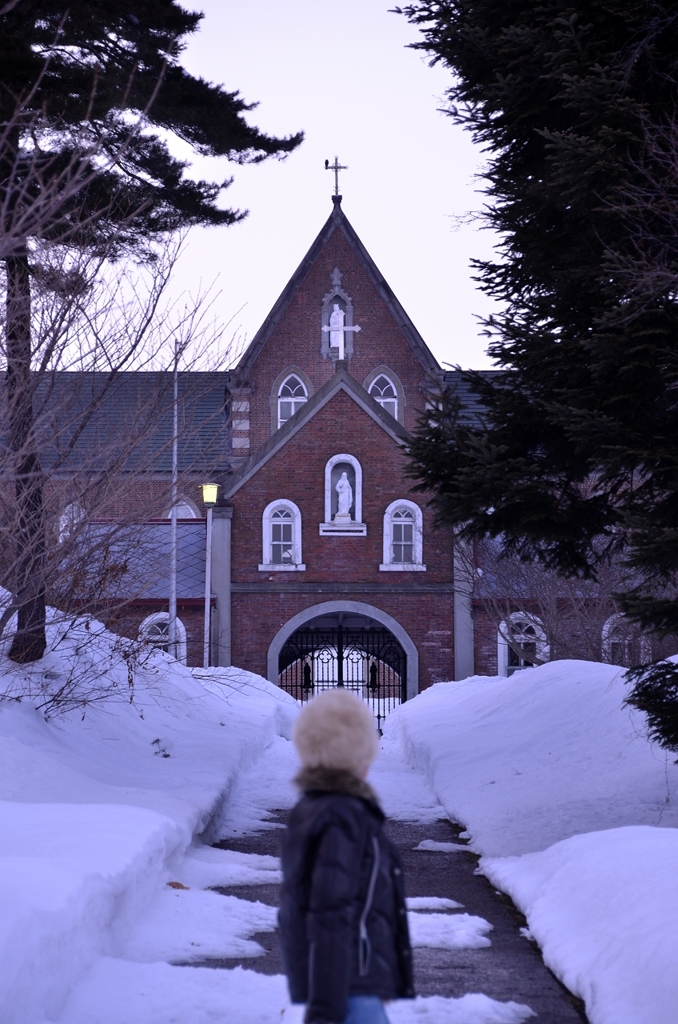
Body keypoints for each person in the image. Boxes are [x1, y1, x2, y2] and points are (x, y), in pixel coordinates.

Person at [279, 688, 414, 1024]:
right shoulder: (341, 817)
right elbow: (330, 914)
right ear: (358, 754)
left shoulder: (319, 809)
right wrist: (326, 1007)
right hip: (349, 982)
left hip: (348, 979)